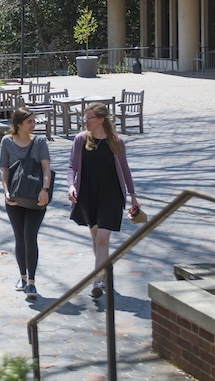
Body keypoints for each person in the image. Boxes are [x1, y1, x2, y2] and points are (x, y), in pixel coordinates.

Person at [67, 102, 139, 299]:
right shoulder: (81, 140)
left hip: (111, 194)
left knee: (102, 238)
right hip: (88, 194)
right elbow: (72, 166)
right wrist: (71, 185)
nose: (85, 121)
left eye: (90, 117)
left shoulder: (116, 141)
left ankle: (97, 281)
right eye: (85, 117)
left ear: (101, 120)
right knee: (95, 236)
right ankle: (104, 271)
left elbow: (125, 169)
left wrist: (132, 195)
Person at [0, 107, 53, 301]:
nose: (34, 124)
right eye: (30, 121)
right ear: (18, 124)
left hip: (36, 197)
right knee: (20, 237)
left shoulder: (39, 142)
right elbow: (4, 169)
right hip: (14, 197)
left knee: (30, 236)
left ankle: (31, 282)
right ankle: (22, 277)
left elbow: (47, 168)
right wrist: (5, 191)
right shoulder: (6, 141)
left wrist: (45, 190)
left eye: (33, 121)